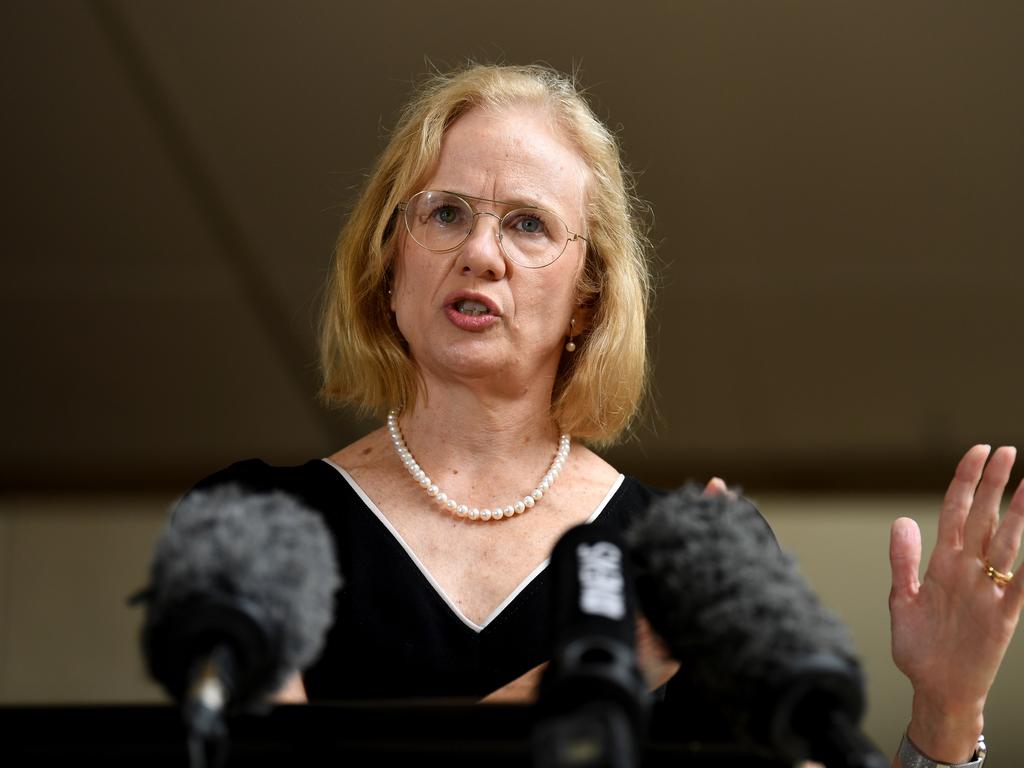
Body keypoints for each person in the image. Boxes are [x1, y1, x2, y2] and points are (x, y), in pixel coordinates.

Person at [188, 64, 1023, 766]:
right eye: (445, 213)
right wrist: (607, 667)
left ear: (587, 299)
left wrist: (946, 715)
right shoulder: (252, 523)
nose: (481, 253)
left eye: (527, 224)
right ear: (389, 261)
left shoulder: (688, 548)